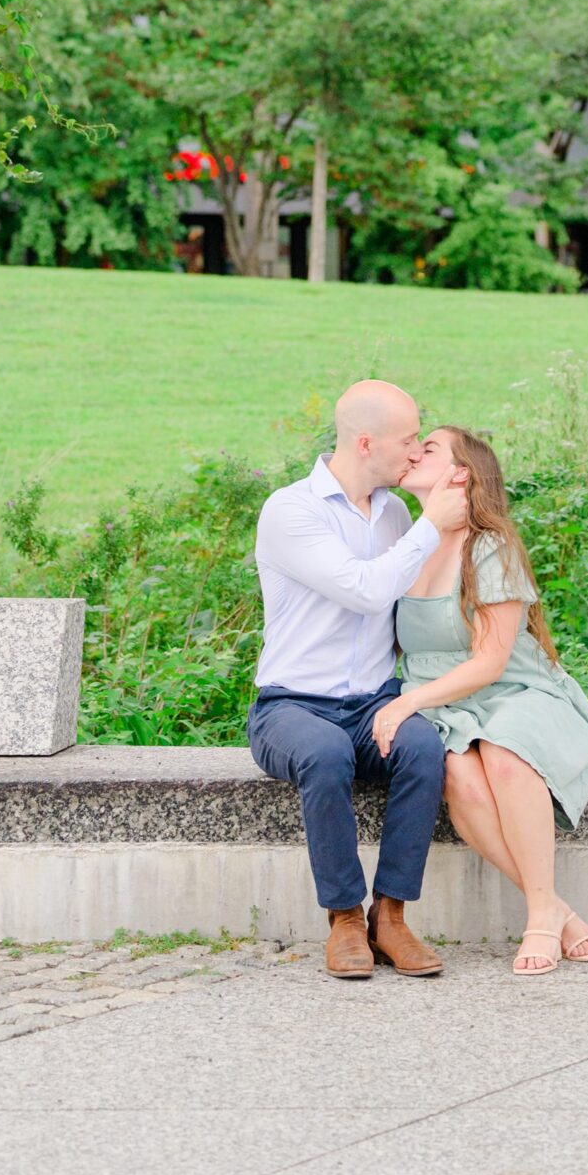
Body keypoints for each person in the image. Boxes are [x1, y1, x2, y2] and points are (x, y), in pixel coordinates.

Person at [248, 379, 467, 980]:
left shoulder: (395, 513)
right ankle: (345, 919)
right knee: (324, 754)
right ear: (366, 443)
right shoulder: (291, 510)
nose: (416, 450)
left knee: (424, 747)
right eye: (407, 440)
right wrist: (431, 525)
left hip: (374, 701)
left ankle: (390, 917)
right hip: (292, 707)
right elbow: (365, 592)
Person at [383, 424, 588, 978]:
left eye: (429, 448)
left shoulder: (490, 544)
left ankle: (537, 916)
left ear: (461, 473)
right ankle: (561, 914)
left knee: (505, 756)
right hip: (445, 701)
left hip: (513, 689)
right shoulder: (410, 542)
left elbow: (490, 662)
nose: (414, 453)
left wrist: (402, 706)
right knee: (458, 776)